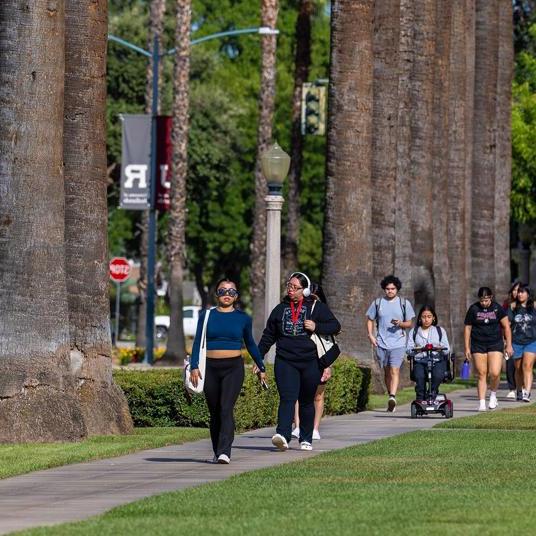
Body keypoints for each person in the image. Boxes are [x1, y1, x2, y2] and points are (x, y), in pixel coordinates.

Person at [258, 272, 341, 452]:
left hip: (311, 362)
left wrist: (316, 326)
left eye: (296, 288)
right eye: (289, 286)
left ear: (305, 291)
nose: (291, 290)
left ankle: (306, 438)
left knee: (305, 401)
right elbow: (268, 336)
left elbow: (335, 326)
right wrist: (259, 358)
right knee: (287, 398)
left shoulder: (317, 308)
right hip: (285, 361)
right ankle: (283, 435)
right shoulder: (280, 309)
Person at [189, 278, 266, 464]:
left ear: (236, 296)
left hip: (233, 368)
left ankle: (225, 451)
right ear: (217, 294)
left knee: (225, 408)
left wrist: (261, 366)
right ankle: (217, 451)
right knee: (214, 411)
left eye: (231, 292)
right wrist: (194, 366)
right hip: (210, 368)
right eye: (223, 291)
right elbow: (197, 342)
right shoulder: (206, 316)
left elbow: (251, 344)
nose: (227, 295)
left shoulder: (243, 319)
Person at [366, 275, 415, 412]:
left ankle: (393, 396)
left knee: (395, 370)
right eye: (387, 289)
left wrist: (400, 324)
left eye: (393, 289)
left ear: (397, 289)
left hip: (398, 343)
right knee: (387, 372)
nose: (390, 291)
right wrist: (371, 335)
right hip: (381, 343)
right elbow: (370, 319)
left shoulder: (404, 303)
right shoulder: (378, 303)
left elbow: (410, 323)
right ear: (384, 289)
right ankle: (390, 397)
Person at [291, 283, 332, 441]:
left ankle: (315, 428)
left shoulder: (325, 317)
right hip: (301, 357)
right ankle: (298, 426)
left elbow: (329, 342)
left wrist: (327, 365)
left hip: (320, 358)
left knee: (318, 395)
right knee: (297, 393)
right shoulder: (296, 313)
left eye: (315, 299)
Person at [464, 286, 513, 411]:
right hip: (478, 344)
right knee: (481, 373)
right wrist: (467, 348)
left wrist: (508, 345)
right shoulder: (473, 309)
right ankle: (481, 403)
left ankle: (493, 395)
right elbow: (468, 328)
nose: (484, 303)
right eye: (481, 300)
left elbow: (506, 327)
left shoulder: (497, 308)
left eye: (486, 300)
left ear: (491, 297)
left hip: (495, 343)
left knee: (495, 372)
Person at [406, 305, 450, 401]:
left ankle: (432, 393)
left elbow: (447, 349)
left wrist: (439, 348)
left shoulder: (440, 331)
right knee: (419, 376)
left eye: (429, 316)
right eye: (424, 317)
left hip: (437, 361)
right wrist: (416, 349)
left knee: (438, 375)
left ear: (433, 318)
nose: (426, 319)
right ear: (420, 318)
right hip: (420, 361)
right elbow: (408, 349)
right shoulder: (414, 331)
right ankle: (420, 397)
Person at [508, 284, 536, 403]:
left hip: (532, 341)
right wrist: (507, 343)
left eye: (522, 292)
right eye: (518, 292)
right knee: (518, 368)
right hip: (516, 342)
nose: (519, 294)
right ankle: (519, 389)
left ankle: (527, 393)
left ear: (528, 294)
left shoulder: (534, 306)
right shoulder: (513, 307)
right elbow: (507, 326)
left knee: (527, 366)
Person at [503, 282, 521, 399]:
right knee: (510, 364)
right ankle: (512, 388)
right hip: (511, 339)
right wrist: (505, 340)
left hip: (525, 339)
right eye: (514, 290)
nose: (516, 292)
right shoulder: (507, 305)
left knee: (522, 365)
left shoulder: (528, 306)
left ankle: (522, 388)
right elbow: (505, 324)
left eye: (518, 290)